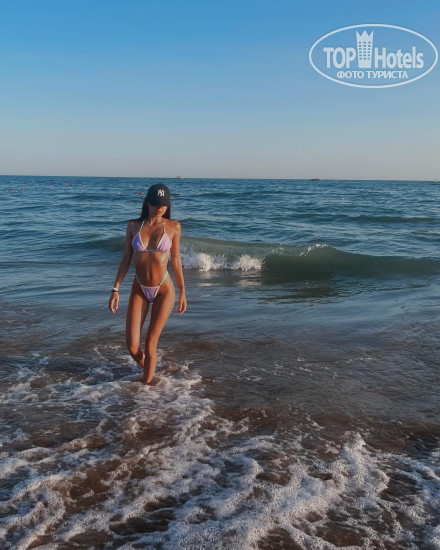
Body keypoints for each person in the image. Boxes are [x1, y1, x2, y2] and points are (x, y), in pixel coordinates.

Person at [108, 183, 187, 384]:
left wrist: (182, 291)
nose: (160, 208)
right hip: (139, 288)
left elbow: (176, 260)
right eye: (156, 203)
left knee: (151, 342)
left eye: (164, 204)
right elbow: (126, 258)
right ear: (147, 203)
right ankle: (150, 369)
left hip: (164, 290)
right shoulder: (134, 226)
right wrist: (116, 288)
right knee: (132, 346)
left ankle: (147, 390)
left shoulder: (174, 227)